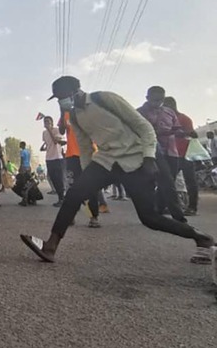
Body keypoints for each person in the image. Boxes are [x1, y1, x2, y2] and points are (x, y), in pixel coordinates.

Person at [21, 76, 215, 265]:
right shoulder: (75, 117)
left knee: (149, 218)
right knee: (74, 194)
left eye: (61, 96)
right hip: (106, 160)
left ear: (74, 91)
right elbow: (86, 149)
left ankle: (201, 237)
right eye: (57, 99)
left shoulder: (104, 99)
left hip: (135, 159)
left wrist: (149, 158)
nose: (61, 102)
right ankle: (50, 246)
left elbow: (144, 127)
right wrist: (88, 180)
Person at [137, 86, 187, 223]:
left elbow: (177, 128)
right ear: (147, 98)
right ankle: (178, 216)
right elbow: (139, 132)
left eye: (161, 99)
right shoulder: (139, 113)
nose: (158, 102)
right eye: (155, 99)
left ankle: (157, 211)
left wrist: (181, 133)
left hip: (171, 150)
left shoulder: (169, 112)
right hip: (152, 151)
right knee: (167, 182)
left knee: (168, 180)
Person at [60, 111, 102, 227]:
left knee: (90, 186)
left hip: (87, 154)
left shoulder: (87, 113)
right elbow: (61, 131)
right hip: (71, 156)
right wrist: (62, 112)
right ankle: (71, 215)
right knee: (72, 187)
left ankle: (94, 216)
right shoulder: (66, 114)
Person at [163, 97, 199, 216]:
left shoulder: (184, 118)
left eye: (167, 105)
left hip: (185, 154)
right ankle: (169, 206)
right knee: (168, 181)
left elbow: (192, 134)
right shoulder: (165, 119)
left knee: (190, 181)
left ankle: (192, 207)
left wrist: (181, 133)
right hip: (172, 154)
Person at [41, 116, 66, 207]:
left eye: (48, 121)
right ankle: (60, 197)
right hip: (49, 158)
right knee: (53, 179)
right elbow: (47, 144)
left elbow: (56, 141)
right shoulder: (44, 133)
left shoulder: (56, 130)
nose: (46, 123)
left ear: (52, 123)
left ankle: (62, 198)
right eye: (45, 121)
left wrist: (49, 130)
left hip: (57, 158)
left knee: (59, 179)